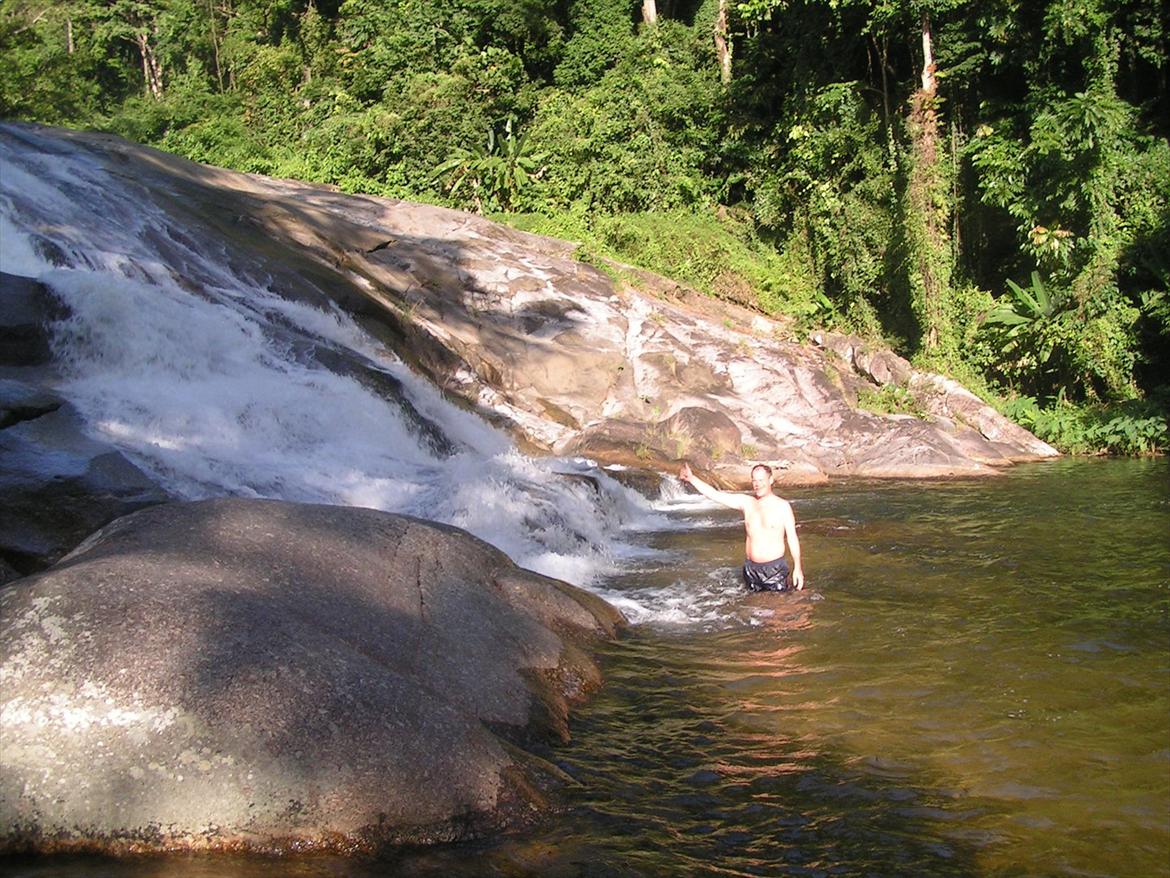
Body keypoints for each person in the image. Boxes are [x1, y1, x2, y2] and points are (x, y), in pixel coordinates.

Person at [679, 462, 804, 592]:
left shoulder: (782, 506)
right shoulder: (747, 503)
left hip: (774, 569)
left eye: (761, 480)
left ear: (770, 480)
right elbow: (716, 495)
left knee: (780, 607)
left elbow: (792, 538)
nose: (757, 484)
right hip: (750, 569)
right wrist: (692, 478)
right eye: (754, 480)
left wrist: (798, 568)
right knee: (753, 608)